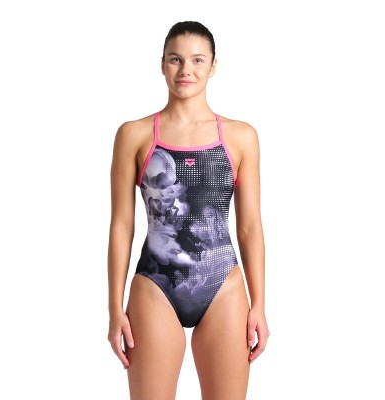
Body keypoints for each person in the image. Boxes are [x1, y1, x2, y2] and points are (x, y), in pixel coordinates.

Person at [107, 21, 270, 400]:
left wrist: (259, 305)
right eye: (175, 59)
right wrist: (114, 309)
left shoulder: (241, 136)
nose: (186, 70)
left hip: (223, 285)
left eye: (197, 60)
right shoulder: (134, 134)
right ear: (162, 64)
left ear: (213, 66)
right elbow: (121, 225)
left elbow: (249, 226)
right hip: (155, 285)